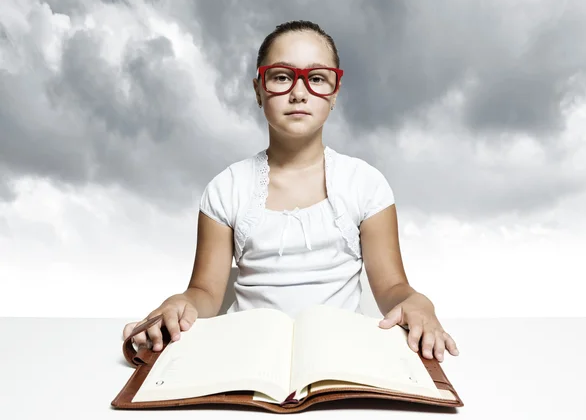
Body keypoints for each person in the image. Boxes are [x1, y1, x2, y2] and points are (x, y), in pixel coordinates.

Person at [123, 20, 459, 364]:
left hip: (342, 358)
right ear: (258, 90)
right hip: (245, 357)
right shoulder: (226, 188)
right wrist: (180, 304)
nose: (299, 92)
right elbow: (206, 292)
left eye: (316, 79)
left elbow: (392, 288)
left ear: (335, 93)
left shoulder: (366, 184)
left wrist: (418, 301)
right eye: (282, 76)